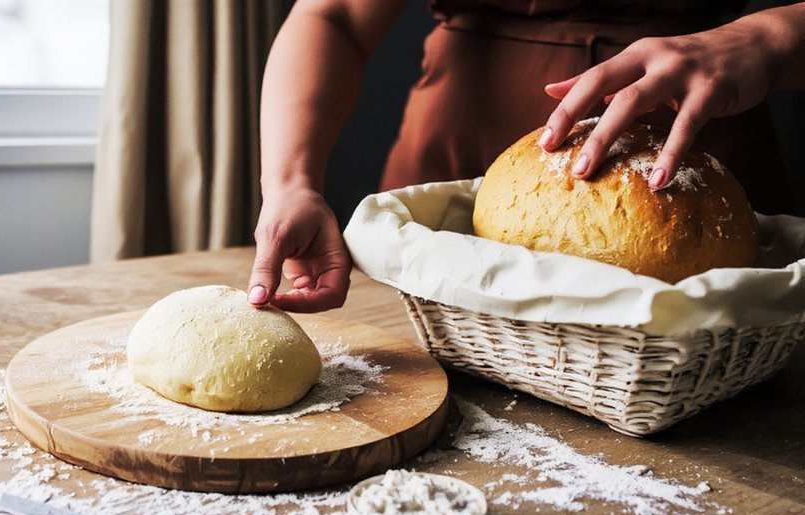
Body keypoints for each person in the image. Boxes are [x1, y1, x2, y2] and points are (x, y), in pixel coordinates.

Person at [245, 0, 805, 313]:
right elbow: (335, 13)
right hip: (449, 182)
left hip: (693, 181)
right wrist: (292, 183)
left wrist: (766, 39)